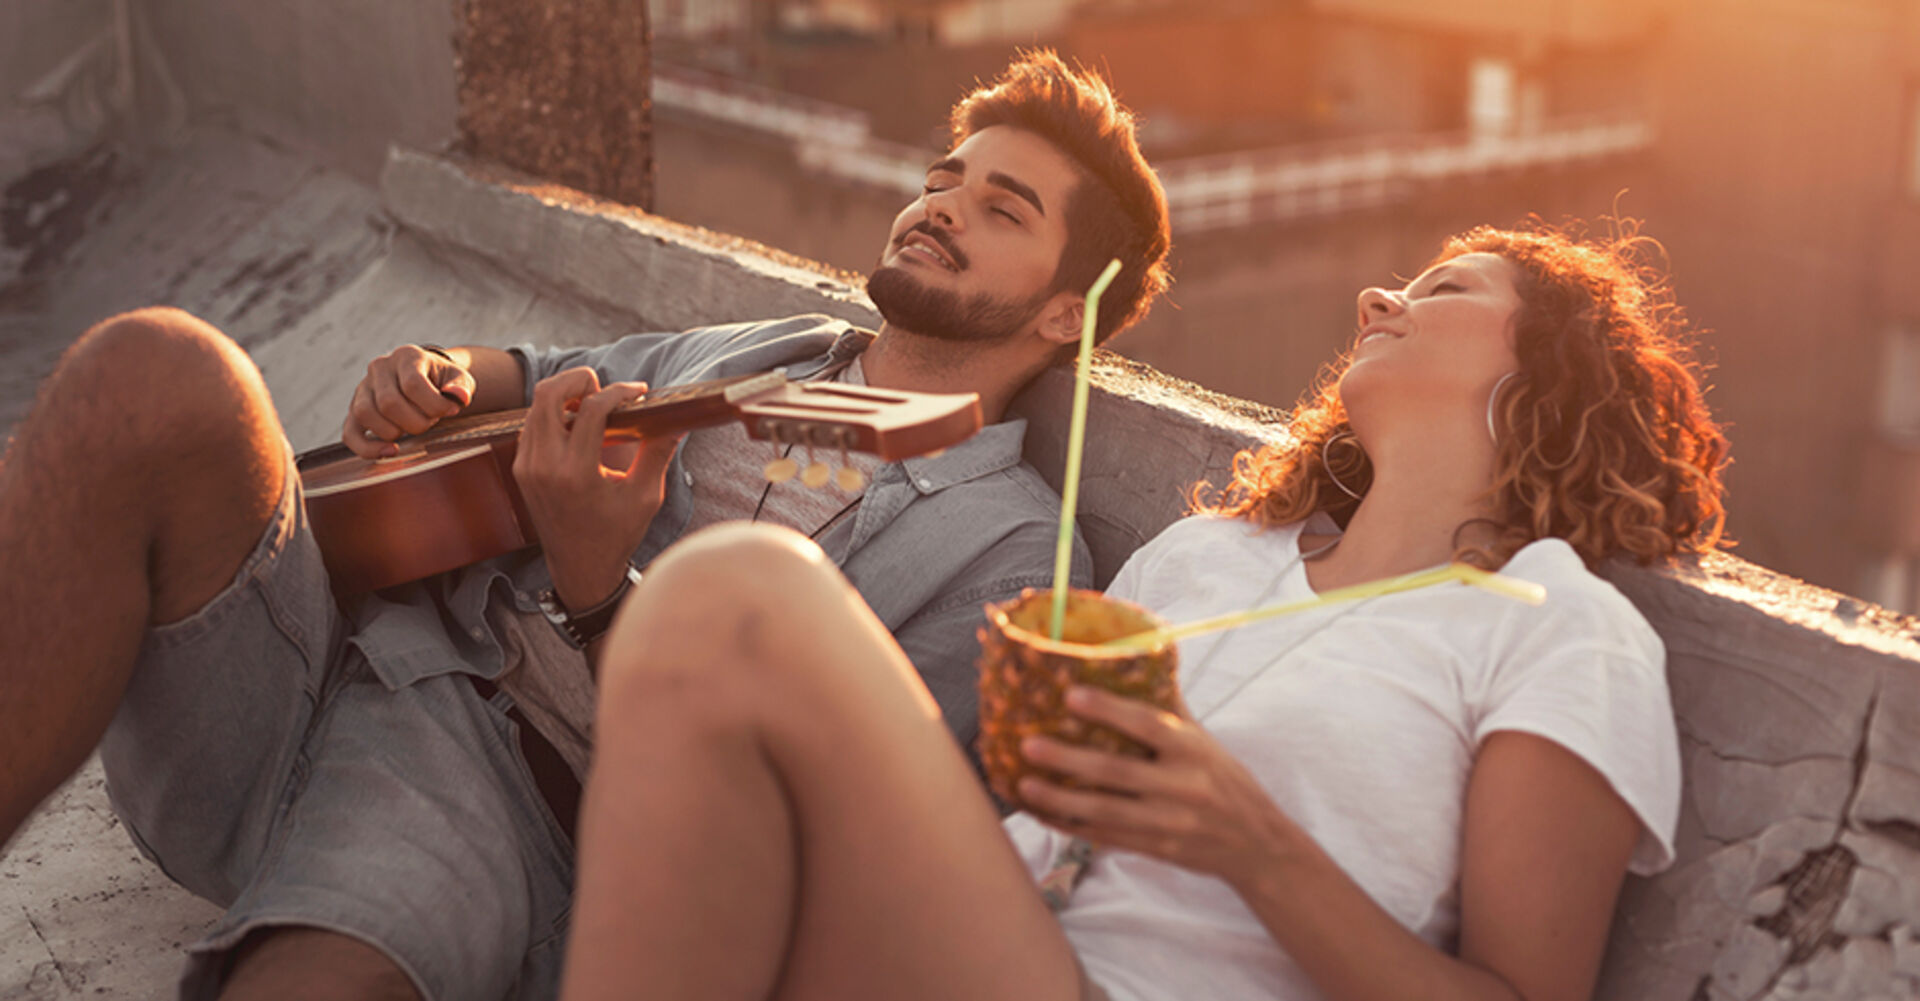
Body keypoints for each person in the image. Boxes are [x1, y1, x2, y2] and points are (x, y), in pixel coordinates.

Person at [0, 51, 1170, 1001]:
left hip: (515, 789)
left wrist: (602, 586)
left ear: (1069, 308)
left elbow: (817, 853)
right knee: (156, 366)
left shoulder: (1009, 558)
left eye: (998, 207)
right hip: (343, 648)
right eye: (943, 178)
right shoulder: (762, 349)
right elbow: (540, 370)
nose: (939, 208)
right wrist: (436, 375)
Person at [556, 222, 1729, 1001]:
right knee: (716, 617)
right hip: (988, 938)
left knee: (738, 593)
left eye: (1446, 289)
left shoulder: (1557, 626)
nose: (1380, 294)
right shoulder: (1205, 555)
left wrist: (1249, 840)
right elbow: (1024, 813)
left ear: (1544, 376)